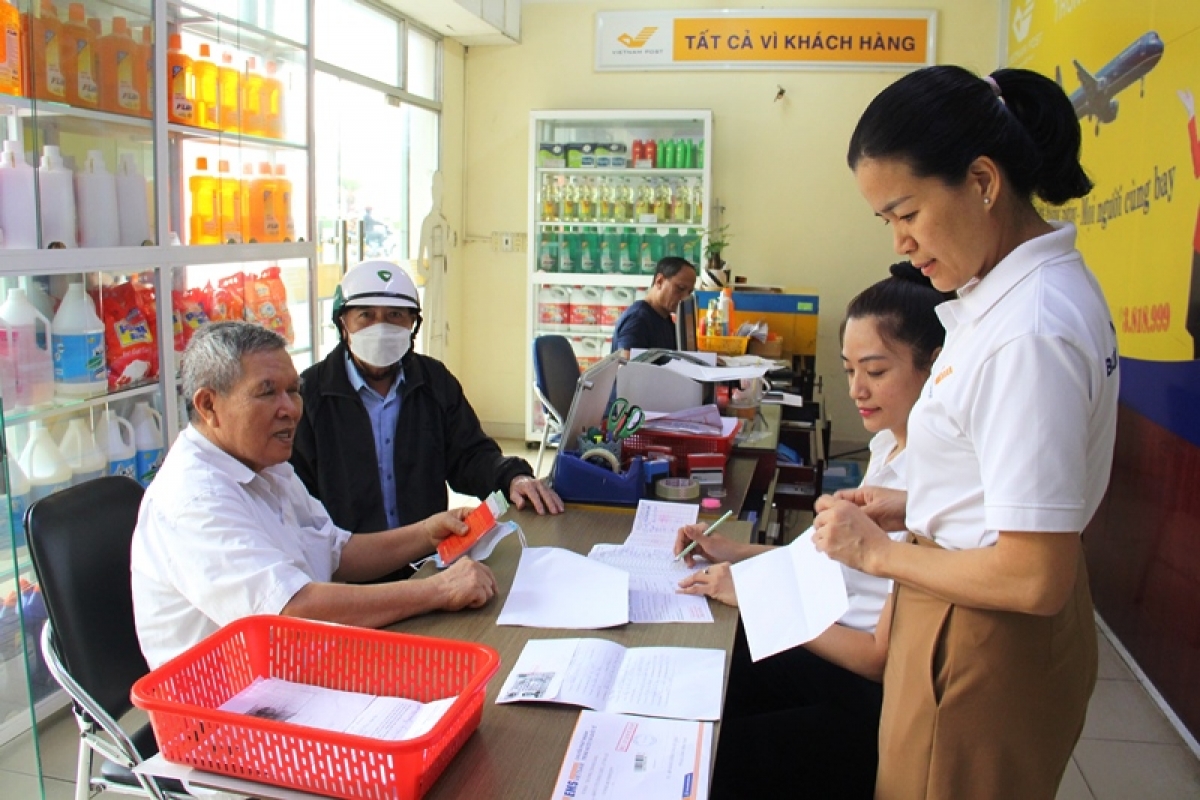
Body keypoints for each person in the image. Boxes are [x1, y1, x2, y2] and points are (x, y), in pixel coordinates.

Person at [813, 66, 1119, 800]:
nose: (902, 241)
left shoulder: (1029, 330)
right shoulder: (1011, 296)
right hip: (972, 605)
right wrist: (913, 505)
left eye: (907, 212)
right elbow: (1002, 476)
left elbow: (1031, 574)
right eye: (886, 221)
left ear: (982, 181)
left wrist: (881, 554)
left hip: (984, 632)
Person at [674, 264, 950, 799]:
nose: (857, 390)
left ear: (934, 367)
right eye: (849, 371)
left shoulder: (931, 480)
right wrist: (736, 551)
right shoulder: (889, 445)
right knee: (708, 678)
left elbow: (877, 657)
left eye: (875, 371)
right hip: (826, 638)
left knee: (720, 746)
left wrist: (755, 598)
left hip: (858, 691)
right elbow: (824, 559)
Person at [130, 322, 498, 669]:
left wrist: (425, 534)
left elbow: (336, 551)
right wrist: (436, 591)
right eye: (267, 392)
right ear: (209, 405)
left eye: (293, 391)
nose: (290, 409)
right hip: (230, 712)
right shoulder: (194, 500)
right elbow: (289, 613)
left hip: (296, 669)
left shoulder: (265, 464)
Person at [292, 260, 562, 551]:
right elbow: (296, 496)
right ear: (343, 324)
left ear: (412, 324)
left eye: (394, 315)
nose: (380, 328)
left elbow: (470, 456)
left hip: (426, 559)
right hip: (346, 567)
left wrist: (512, 477)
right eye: (366, 316)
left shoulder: (434, 381)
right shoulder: (309, 395)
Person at [610, 256, 696, 352]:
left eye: (689, 292)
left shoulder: (665, 318)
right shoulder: (638, 319)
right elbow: (626, 364)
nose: (685, 297)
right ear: (659, 281)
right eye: (680, 288)